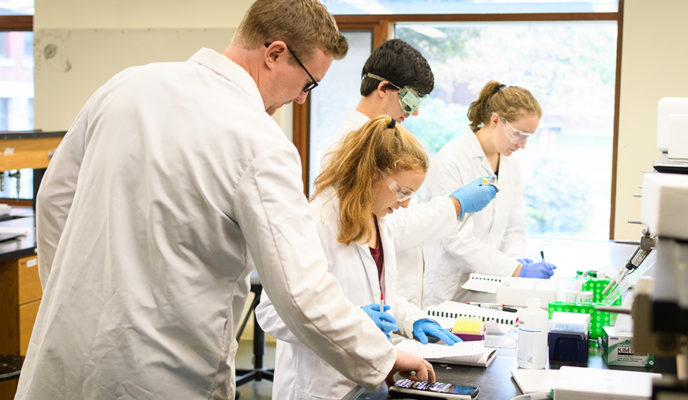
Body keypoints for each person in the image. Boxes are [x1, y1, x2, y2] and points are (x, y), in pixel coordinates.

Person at [16, 1, 434, 399]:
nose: (303, 98)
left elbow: (54, 203)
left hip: (65, 356)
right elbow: (300, 293)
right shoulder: (260, 143)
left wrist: (73, 300)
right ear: (274, 53)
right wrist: (382, 357)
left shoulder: (126, 84)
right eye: (308, 83)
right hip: (163, 375)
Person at [256, 116, 459, 400]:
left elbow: (377, 298)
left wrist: (411, 319)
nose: (405, 204)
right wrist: (354, 318)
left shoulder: (379, 219)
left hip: (364, 380)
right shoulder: (318, 220)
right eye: (402, 191)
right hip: (320, 386)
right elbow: (272, 312)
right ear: (372, 174)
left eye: (412, 194)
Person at [326, 39, 499, 308]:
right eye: (410, 100)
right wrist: (454, 205)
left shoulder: (388, 141)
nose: (414, 112)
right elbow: (391, 228)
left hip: (393, 299)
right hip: (356, 308)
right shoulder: (347, 147)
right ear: (383, 88)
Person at [421, 80, 558, 307]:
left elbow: (513, 229)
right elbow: (453, 238)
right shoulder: (451, 160)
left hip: (490, 289)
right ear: (495, 120)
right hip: (447, 290)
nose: (522, 145)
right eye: (519, 134)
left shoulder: (510, 165)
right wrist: (515, 269)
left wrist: (514, 263)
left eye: (528, 137)